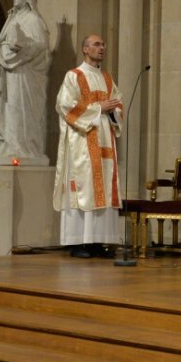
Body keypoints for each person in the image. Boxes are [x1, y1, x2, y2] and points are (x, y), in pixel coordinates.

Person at [53, 34, 123, 259]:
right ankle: (77, 242)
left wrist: (113, 111)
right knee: (84, 189)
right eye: (96, 44)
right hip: (82, 141)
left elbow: (118, 104)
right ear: (85, 49)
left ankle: (96, 241)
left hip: (104, 140)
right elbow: (65, 105)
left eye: (103, 44)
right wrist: (98, 108)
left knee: (103, 189)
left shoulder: (107, 78)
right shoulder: (74, 76)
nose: (102, 48)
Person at [0, 0, 52, 163]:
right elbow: (2, 41)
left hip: (24, 75)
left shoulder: (33, 20)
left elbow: (41, 46)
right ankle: (5, 145)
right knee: (6, 108)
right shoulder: (12, 18)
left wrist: (21, 45)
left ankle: (19, 146)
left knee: (17, 110)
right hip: (8, 74)